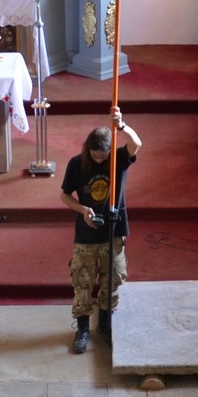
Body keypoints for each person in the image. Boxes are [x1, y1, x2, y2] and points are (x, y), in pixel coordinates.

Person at [61, 110, 141, 353]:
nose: (98, 160)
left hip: (113, 230)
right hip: (86, 233)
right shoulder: (77, 163)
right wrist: (82, 209)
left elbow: (136, 143)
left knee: (112, 277)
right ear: (88, 150)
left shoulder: (117, 160)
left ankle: (105, 323)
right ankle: (83, 327)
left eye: (102, 156)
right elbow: (65, 195)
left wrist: (122, 126)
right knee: (83, 280)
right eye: (94, 155)